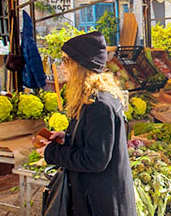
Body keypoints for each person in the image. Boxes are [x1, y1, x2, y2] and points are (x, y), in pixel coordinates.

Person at [40, 31, 136, 216]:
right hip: (97, 198)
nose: (61, 66)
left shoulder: (99, 105)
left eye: (65, 61)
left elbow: (95, 160)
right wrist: (68, 137)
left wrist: (51, 152)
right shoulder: (91, 100)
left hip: (101, 203)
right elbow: (94, 141)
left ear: (80, 65)